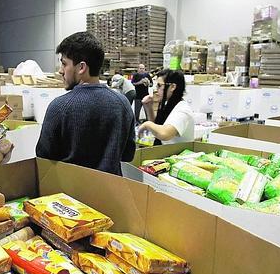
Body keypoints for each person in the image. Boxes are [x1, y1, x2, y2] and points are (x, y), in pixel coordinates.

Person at [36, 31, 135, 175]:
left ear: (81, 67)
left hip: (70, 194)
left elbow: (43, 155)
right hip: (112, 193)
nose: (60, 71)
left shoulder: (59, 107)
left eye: (64, 64)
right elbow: (128, 155)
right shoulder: (123, 103)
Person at [137, 69, 194, 145]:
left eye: (159, 85)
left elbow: (164, 134)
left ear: (172, 87)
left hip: (177, 154)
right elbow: (157, 127)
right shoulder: (167, 104)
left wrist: (147, 124)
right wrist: (149, 107)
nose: (156, 89)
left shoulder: (182, 109)